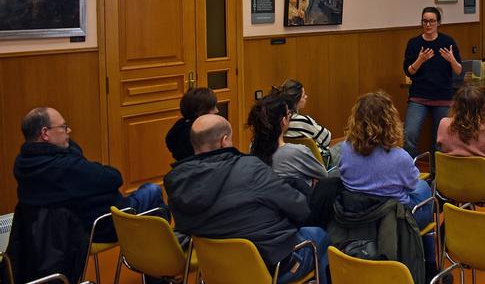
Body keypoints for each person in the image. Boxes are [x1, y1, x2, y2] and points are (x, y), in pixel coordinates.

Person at [164, 114, 328, 284]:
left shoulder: (176, 181)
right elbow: (299, 208)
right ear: (224, 140)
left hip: (215, 269)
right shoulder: (250, 168)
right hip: (270, 268)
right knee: (318, 235)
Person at [13, 107, 165, 242]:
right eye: (64, 127)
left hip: (61, 235)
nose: (69, 131)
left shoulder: (23, 164)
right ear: (45, 133)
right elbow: (114, 177)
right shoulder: (66, 168)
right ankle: (154, 263)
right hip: (99, 226)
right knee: (153, 191)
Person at [337, 91, 436, 270]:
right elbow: (412, 184)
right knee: (424, 189)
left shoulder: (345, 149)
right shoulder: (400, 157)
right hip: (395, 221)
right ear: (390, 120)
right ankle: (430, 265)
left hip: (357, 216)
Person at [402, 6, 462, 157]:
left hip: (443, 97)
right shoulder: (414, 43)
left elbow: (459, 71)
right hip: (419, 96)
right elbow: (409, 71)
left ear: (438, 23)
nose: (428, 25)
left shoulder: (447, 41)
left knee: (440, 140)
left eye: (432, 21)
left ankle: (437, 175)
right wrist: (420, 60)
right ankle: (410, 174)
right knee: (410, 134)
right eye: (425, 21)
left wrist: (451, 59)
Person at [436, 85, 485, 192]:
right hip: (483, 185)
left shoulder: (443, 123)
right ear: (483, 106)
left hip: (452, 182)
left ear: (455, 105)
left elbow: (442, 148)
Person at [248, 94, 328, 191]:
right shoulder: (297, 152)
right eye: (289, 113)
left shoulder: (253, 148)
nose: (290, 115)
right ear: (284, 121)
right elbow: (324, 175)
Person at [272, 79, 336, 165]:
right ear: (296, 100)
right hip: (316, 163)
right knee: (343, 147)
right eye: (303, 95)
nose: (306, 96)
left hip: (290, 162)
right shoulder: (302, 121)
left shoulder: (275, 120)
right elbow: (327, 138)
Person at [165, 87, 218, 161]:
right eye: (212, 108)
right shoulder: (199, 132)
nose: (217, 111)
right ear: (201, 111)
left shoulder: (180, 125)